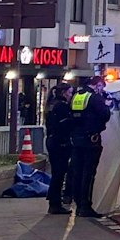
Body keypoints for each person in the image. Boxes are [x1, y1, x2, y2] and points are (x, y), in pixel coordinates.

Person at [67, 77, 113, 218]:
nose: (101, 89)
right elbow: (105, 115)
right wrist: (107, 104)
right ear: (96, 85)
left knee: (78, 172)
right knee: (88, 173)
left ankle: (79, 204)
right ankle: (86, 206)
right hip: (91, 139)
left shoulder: (77, 96)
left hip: (77, 139)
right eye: (101, 86)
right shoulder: (94, 98)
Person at [44, 82, 77, 217]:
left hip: (52, 141)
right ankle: (55, 203)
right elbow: (66, 124)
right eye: (69, 93)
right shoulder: (62, 106)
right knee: (59, 173)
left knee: (57, 173)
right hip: (60, 142)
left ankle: (53, 201)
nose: (71, 96)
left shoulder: (51, 105)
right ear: (64, 93)